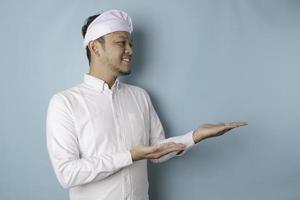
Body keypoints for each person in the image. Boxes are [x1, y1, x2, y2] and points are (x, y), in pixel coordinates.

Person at [46, 9, 247, 200]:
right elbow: (67, 174)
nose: (130, 50)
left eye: (130, 43)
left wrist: (194, 136)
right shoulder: (65, 103)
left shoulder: (139, 96)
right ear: (95, 47)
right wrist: (130, 156)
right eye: (121, 42)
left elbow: (156, 153)